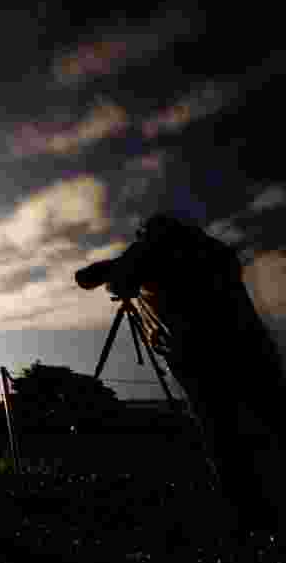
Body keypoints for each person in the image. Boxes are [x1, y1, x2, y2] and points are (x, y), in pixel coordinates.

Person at [77, 212, 286, 535]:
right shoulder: (213, 248)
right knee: (273, 419)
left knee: (222, 434)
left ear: (149, 233)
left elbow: (114, 281)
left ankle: (251, 518)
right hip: (252, 348)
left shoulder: (150, 249)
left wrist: (113, 269)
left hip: (201, 357)